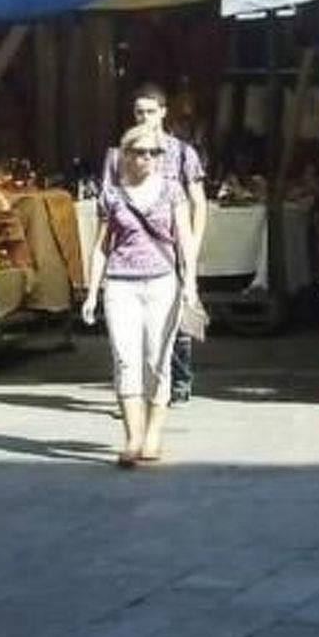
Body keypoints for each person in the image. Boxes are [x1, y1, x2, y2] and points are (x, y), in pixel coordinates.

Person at [83, 123, 198, 467]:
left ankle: (153, 434)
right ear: (125, 155)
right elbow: (101, 247)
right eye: (140, 152)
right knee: (125, 359)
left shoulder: (172, 191)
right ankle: (133, 437)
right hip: (121, 284)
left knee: (157, 360)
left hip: (162, 282)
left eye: (154, 152)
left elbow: (185, 240)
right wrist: (92, 292)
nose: (147, 158)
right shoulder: (111, 195)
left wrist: (190, 283)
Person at [102, 83, 207, 404]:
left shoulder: (182, 153)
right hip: (132, 249)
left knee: (178, 316)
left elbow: (198, 202)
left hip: (171, 243)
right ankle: (134, 392)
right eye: (139, 112)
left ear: (163, 112)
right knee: (132, 331)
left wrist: (193, 243)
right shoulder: (120, 154)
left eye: (150, 111)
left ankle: (178, 382)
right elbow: (109, 203)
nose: (144, 117)